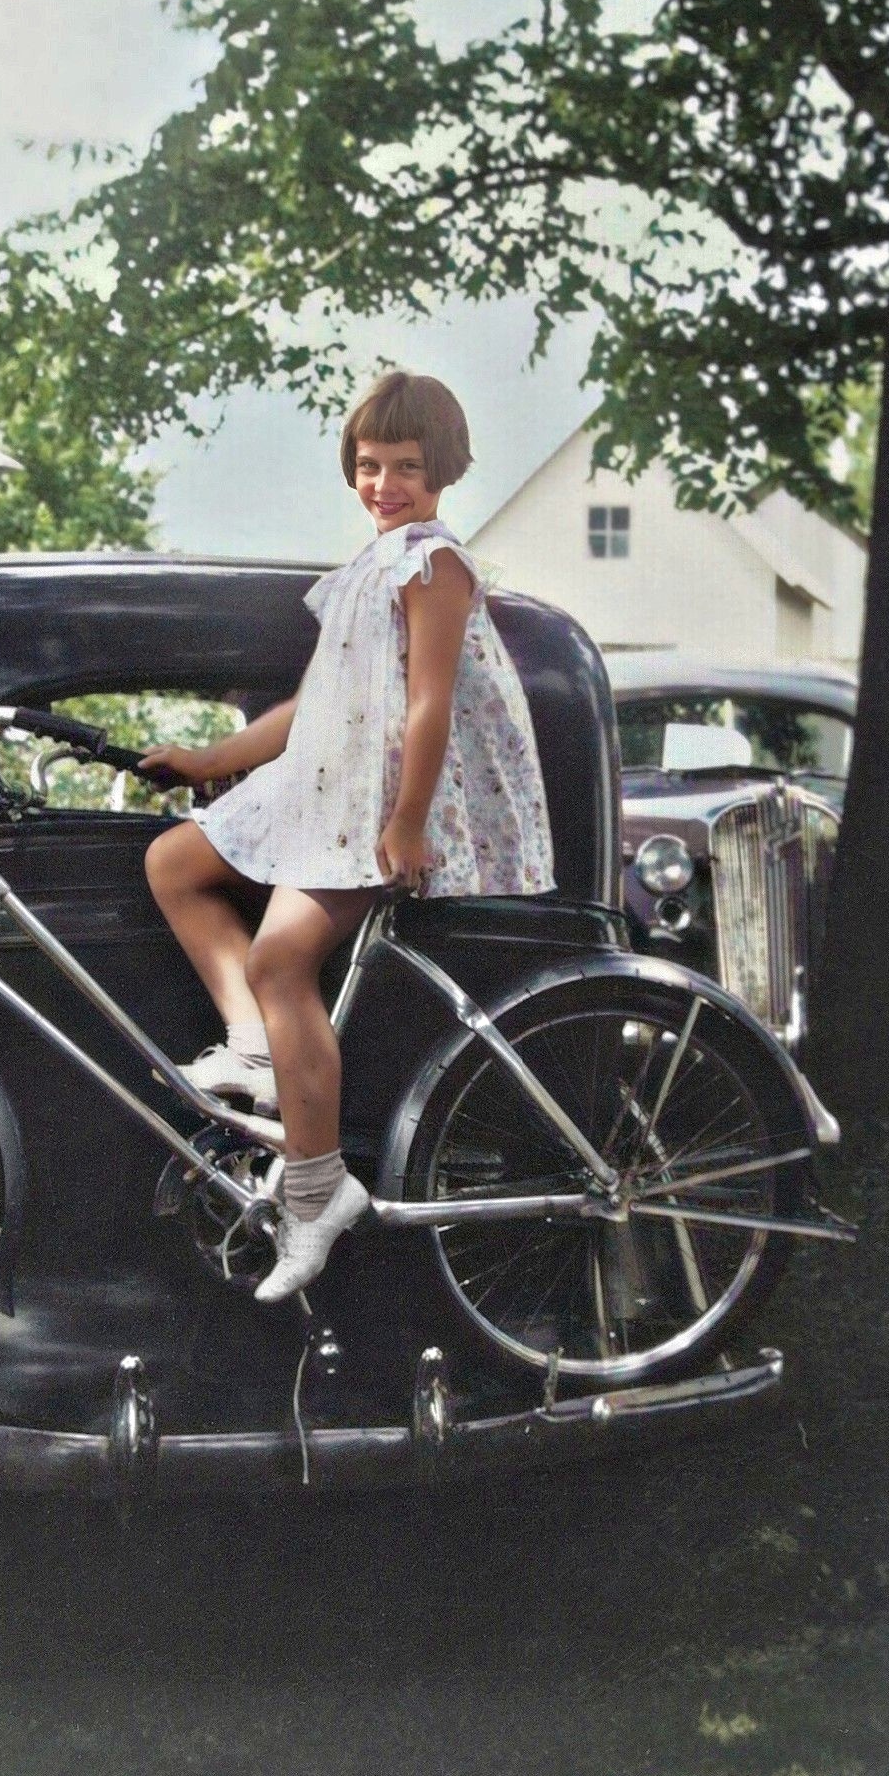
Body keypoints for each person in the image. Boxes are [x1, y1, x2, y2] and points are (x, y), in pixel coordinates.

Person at [139, 370, 554, 1303]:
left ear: (442, 470)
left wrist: (405, 822)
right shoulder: (370, 565)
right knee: (174, 861)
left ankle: (318, 1192)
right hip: (325, 780)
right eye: (368, 466)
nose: (383, 484)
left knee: (282, 961)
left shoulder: (433, 565)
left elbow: (430, 701)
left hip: (374, 800)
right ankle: (253, 1046)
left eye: (405, 467)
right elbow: (310, 708)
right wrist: (209, 760)